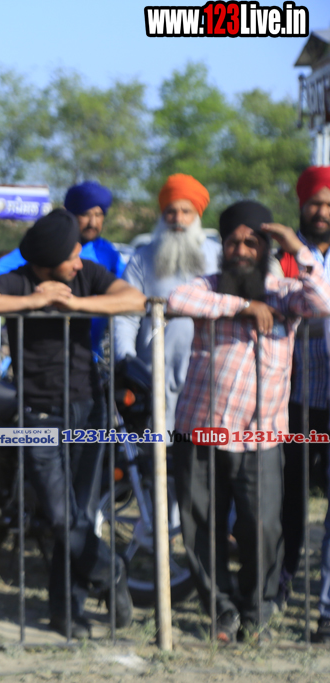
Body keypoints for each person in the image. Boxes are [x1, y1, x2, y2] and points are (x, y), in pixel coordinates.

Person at [0, 208, 145, 639]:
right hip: (38, 413)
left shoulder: (86, 275)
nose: (79, 262)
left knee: (80, 514)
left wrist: (75, 304)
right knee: (60, 516)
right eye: (72, 256)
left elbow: (134, 300)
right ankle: (110, 570)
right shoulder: (20, 280)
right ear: (48, 261)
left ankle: (66, 611)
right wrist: (34, 302)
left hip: (90, 408)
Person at [169, 201, 330, 643]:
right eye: (233, 242)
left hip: (262, 433)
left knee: (263, 527)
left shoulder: (286, 291)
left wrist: (297, 248)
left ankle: (257, 611)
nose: (240, 250)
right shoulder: (208, 286)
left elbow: (323, 301)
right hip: (200, 427)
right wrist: (243, 306)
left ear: (266, 249)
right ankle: (221, 610)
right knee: (201, 526)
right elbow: (177, 300)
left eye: (251, 242)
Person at [115, 174, 219, 439]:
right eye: (171, 211)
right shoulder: (142, 258)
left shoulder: (216, 256)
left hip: (206, 373)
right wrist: (126, 359)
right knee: (157, 447)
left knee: (198, 447)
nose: (178, 219)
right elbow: (126, 314)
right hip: (153, 372)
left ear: (197, 215)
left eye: (186, 211)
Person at [279, 168, 330, 629]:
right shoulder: (284, 255)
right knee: (288, 493)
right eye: (315, 202)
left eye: (329, 204)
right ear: (301, 205)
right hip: (294, 397)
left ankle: (326, 605)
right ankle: (280, 579)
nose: (322, 212)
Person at [0, 181, 125, 281]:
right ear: (70, 214)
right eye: (85, 214)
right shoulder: (49, 244)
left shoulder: (108, 251)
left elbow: (126, 288)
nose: (92, 223)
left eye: (98, 215)